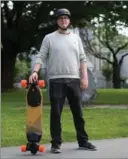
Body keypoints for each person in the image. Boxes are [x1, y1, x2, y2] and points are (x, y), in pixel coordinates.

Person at [29, 8, 96, 153]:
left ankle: (83, 141)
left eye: (66, 18)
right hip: (56, 80)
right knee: (56, 114)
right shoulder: (49, 38)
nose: (63, 20)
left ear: (69, 21)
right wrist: (35, 71)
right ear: (57, 21)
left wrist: (84, 77)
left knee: (78, 112)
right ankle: (56, 144)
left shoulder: (76, 38)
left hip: (74, 80)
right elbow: (40, 56)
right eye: (60, 18)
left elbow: (83, 59)